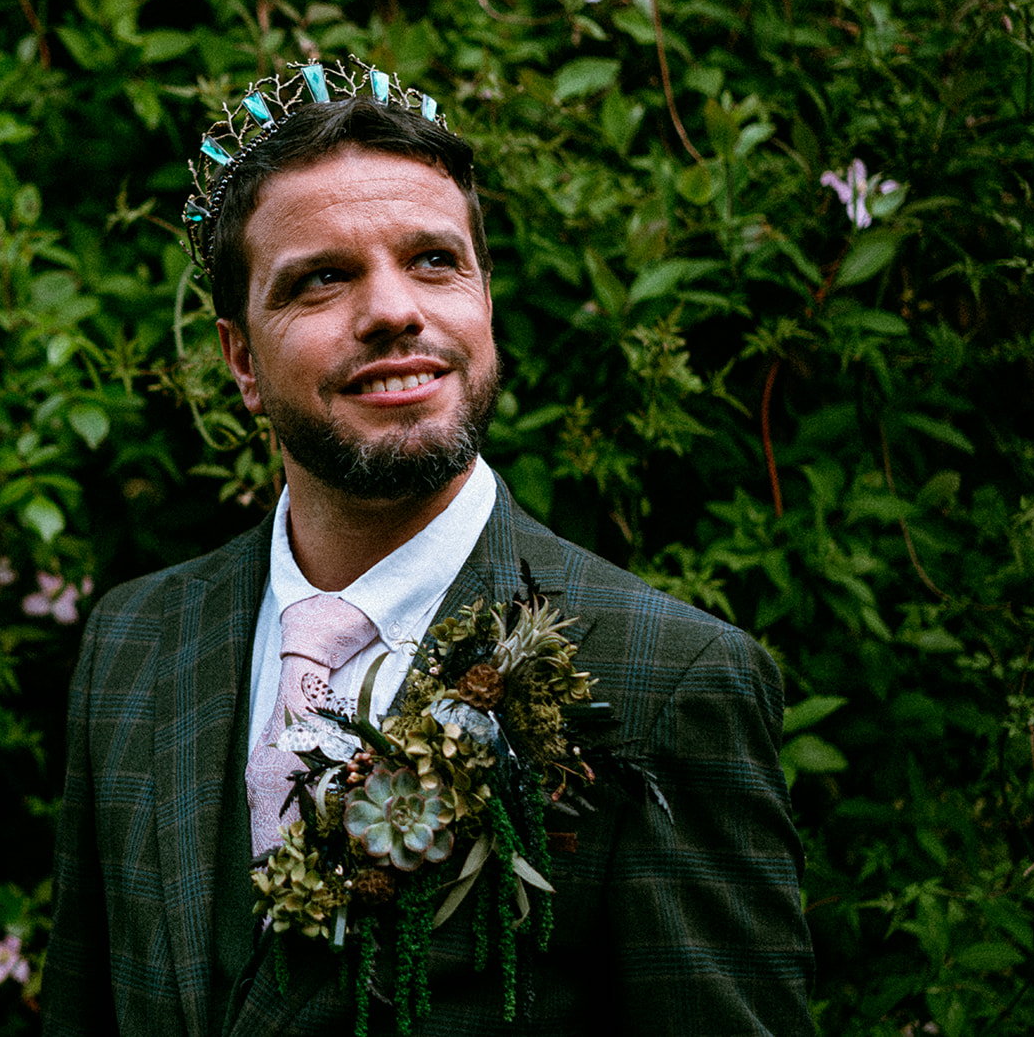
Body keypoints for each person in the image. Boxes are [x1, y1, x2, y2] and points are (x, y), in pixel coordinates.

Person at [43, 59, 814, 1036]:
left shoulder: (667, 683)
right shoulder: (133, 641)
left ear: (484, 302)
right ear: (241, 359)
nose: (393, 309)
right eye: (322, 278)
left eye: (433, 261)